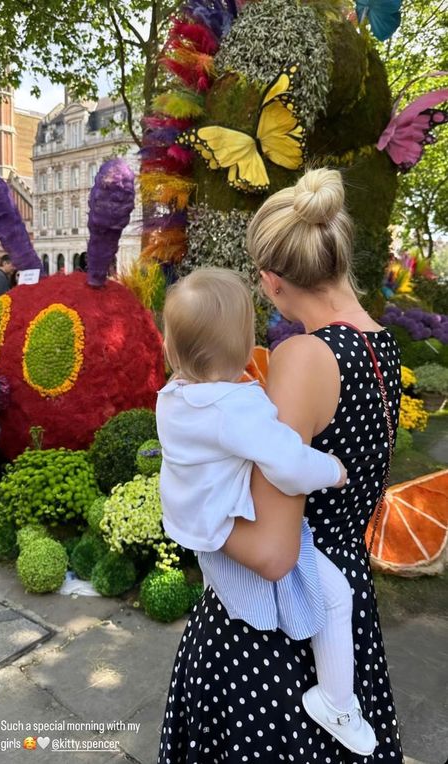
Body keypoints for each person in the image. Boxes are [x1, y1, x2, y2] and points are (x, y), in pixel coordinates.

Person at [157, 167, 403, 763]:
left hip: (278, 635)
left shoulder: (303, 356)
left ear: (271, 280)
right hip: (345, 611)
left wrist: (189, 516)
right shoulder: (381, 347)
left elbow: (272, 553)